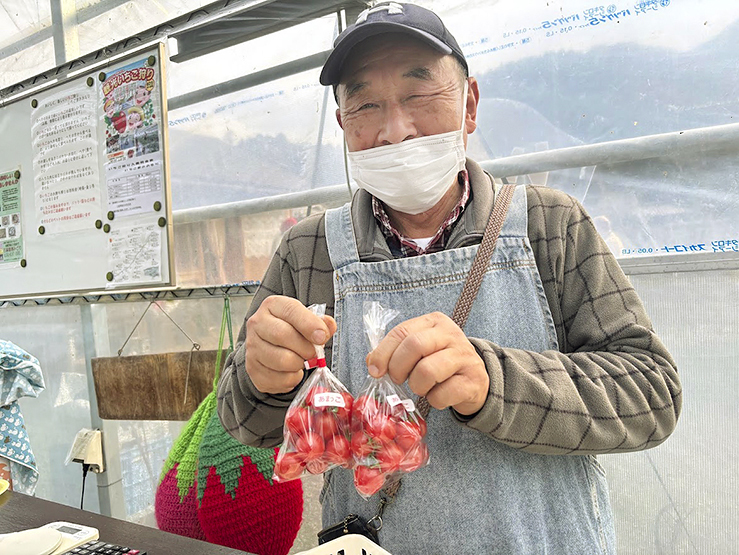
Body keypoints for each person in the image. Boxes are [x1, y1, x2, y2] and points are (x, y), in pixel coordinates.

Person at [217, 3, 682, 554]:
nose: (396, 131)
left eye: (420, 95)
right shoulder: (309, 250)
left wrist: (495, 382)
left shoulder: (550, 225)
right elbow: (241, 419)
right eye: (366, 104)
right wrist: (263, 380)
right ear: (343, 125)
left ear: (469, 105)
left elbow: (652, 395)